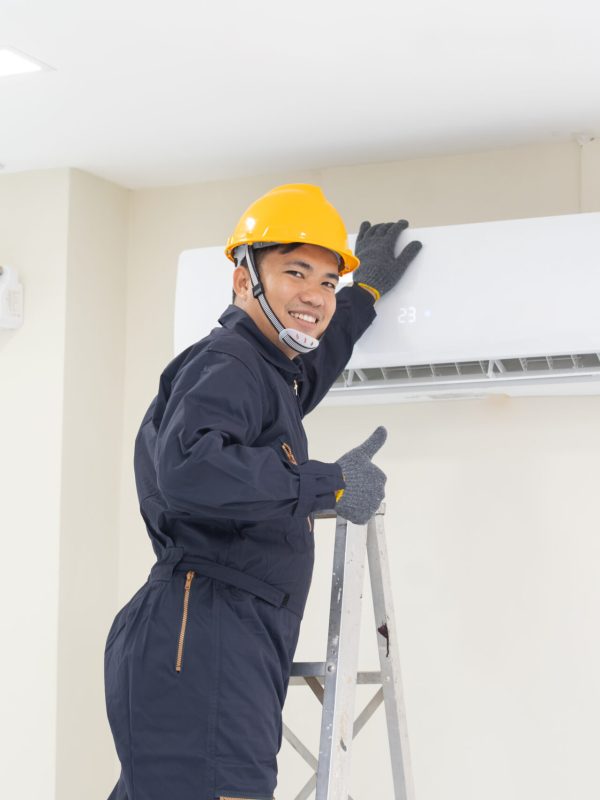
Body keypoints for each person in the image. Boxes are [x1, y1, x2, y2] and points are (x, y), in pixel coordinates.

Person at [104, 184, 422, 800]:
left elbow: (311, 364)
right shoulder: (229, 362)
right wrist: (329, 482)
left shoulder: (264, 370)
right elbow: (191, 469)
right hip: (204, 628)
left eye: (328, 281)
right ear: (245, 280)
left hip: (221, 625)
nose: (315, 294)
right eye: (295, 272)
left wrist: (365, 295)